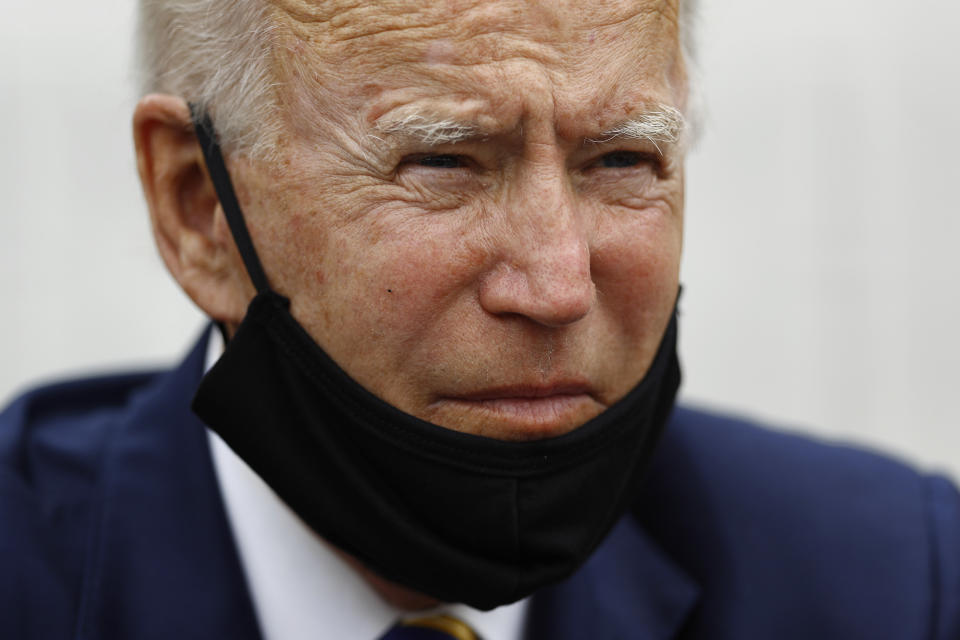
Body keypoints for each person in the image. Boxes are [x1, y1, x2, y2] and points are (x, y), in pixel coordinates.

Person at [1, 0, 958, 638]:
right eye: (443, 164)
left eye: (622, 160)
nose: (556, 286)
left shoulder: (894, 587)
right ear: (198, 206)